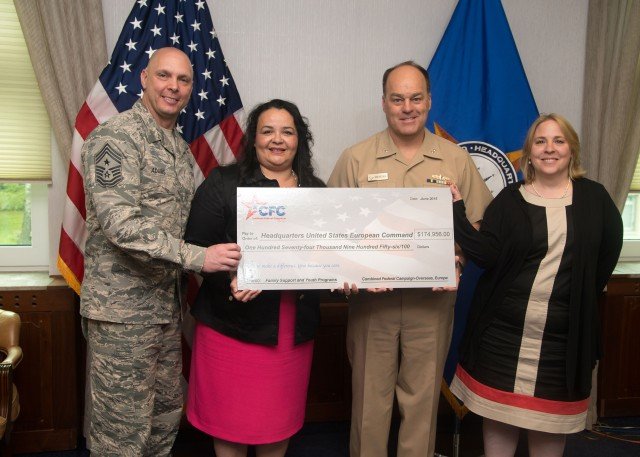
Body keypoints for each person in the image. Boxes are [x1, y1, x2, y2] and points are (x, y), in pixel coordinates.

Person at [80, 47, 241, 456]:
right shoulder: (116, 138)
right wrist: (198, 258)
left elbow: (186, 226)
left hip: (165, 310)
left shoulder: (177, 148)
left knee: (163, 419)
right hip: (121, 315)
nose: (174, 87)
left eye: (183, 80)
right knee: (122, 433)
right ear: (144, 80)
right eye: (164, 76)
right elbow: (121, 225)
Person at [327, 61, 493, 457]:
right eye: (397, 98)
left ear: (429, 102)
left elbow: (481, 225)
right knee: (369, 404)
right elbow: (330, 229)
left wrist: (458, 259)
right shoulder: (356, 158)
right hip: (372, 306)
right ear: (383, 103)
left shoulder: (455, 159)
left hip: (431, 304)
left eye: (416, 98)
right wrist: (350, 268)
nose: (407, 107)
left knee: (420, 406)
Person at [448, 113, 623, 457]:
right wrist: (456, 210)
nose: (549, 149)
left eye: (559, 141)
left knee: (548, 430)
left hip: (562, 347)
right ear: (529, 153)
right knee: (499, 423)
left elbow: (605, 257)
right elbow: (485, 254)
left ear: (572, 150)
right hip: (502, 340)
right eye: (541, 142)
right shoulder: (511, 199)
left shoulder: (596, 200)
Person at [184, 99, 325, 457]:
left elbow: (326, 256)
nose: (277, 140)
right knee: (230, 426)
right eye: (267, 131)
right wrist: (231, 278)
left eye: (287, 131)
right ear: (254, 139)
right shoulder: (223, 183)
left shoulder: (319, 192)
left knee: (276, 426)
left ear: (299, 140)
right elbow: (194, 251)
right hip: (230, 328)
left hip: (291, 330)